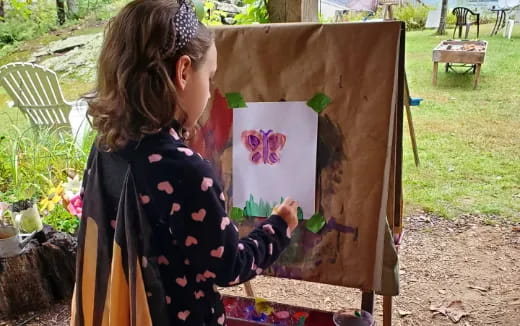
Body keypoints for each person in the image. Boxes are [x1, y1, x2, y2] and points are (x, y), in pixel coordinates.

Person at [70, 0, 299, 325]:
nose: (210, 92)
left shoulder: (106, 145)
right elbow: (229, 266)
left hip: (122, 312)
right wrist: (278, 227)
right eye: (210, 77)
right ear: (183, 72)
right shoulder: (184, 170)